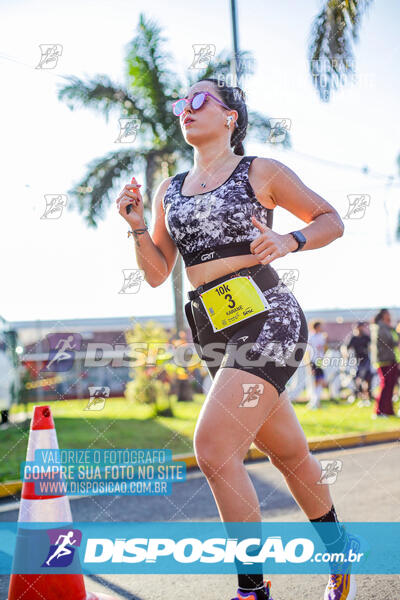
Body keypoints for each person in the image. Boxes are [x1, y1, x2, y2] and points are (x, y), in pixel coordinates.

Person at [116, 78, 352, 600]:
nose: (186, 109)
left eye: (200, 100)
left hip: (268, 318)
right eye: (181, 102)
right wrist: (136, 227)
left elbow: (331, 220)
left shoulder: (260, 172)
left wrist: (288, 240)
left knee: (214, 447)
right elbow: (158, 273)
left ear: (231, 118)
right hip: (213, 331)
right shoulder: (168, 190)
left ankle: (253, 589)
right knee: (289, 454)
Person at [370, 309, 399, 417]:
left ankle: (389, 410)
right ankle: (379, 411)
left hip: (390, 359)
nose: (390, 316)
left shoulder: (386, 327)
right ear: (383, 315)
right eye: (388, 314)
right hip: (384, 360)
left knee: (390, 386)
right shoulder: (380, 327)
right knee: (386, 385)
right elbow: (390, 341)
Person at [346, 322, 373, 406]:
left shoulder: (366, 337)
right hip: (357, 361)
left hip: (366, 360)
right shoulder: (353, 338)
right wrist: (346, 356)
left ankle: (367, 397)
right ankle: (361, 396)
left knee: (367, 379)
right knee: (358, 380)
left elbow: (372, 346)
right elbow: (346, 348)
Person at [307, 321, 328, 409]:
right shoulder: (310, 336)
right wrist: (308, 364)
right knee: (315, 382)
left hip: (320, 361)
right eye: (320, 326)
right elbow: (307, 351)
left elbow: (324, 348)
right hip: (313, 361)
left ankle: (316, 402)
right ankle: (313, 403)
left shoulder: (321, 336)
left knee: (321, 382)